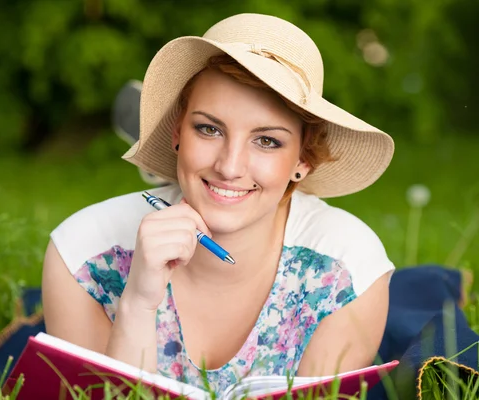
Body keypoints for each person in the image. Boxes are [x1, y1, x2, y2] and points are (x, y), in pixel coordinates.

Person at [41, 13, 397, 395]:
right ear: (176, 131)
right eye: (208, 129)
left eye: (267, 140)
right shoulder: (83, 256)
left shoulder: (347, 272)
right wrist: (137, 304)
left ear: (302, 160)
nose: (229, 166)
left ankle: (174, 164)